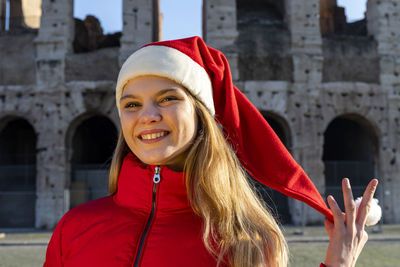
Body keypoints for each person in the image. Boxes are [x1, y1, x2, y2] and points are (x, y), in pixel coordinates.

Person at [44, 36, 380, 267]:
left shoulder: (249, 241)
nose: (147, 116)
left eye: (167, 98)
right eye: (131, 103)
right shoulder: (74, 228)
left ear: (202, 114)